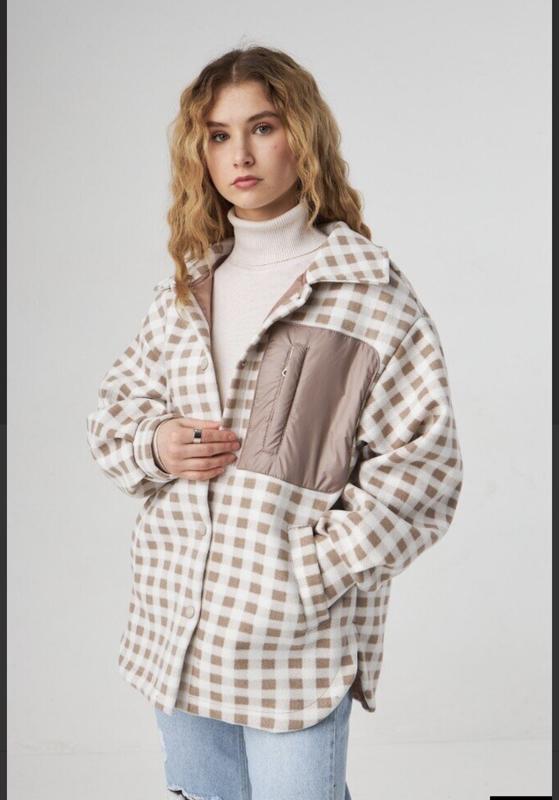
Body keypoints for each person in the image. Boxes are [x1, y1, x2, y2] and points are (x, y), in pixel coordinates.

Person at [86, 45, 464, 800]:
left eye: (261, 127)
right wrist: (156, 444)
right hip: (178, 628)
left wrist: (313, 570)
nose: (240, 154)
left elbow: (424, 472)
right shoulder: (186, 290)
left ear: (302, 134)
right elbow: (113, 416)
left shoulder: (370, 296)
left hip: (293, 641)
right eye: (218, 135)